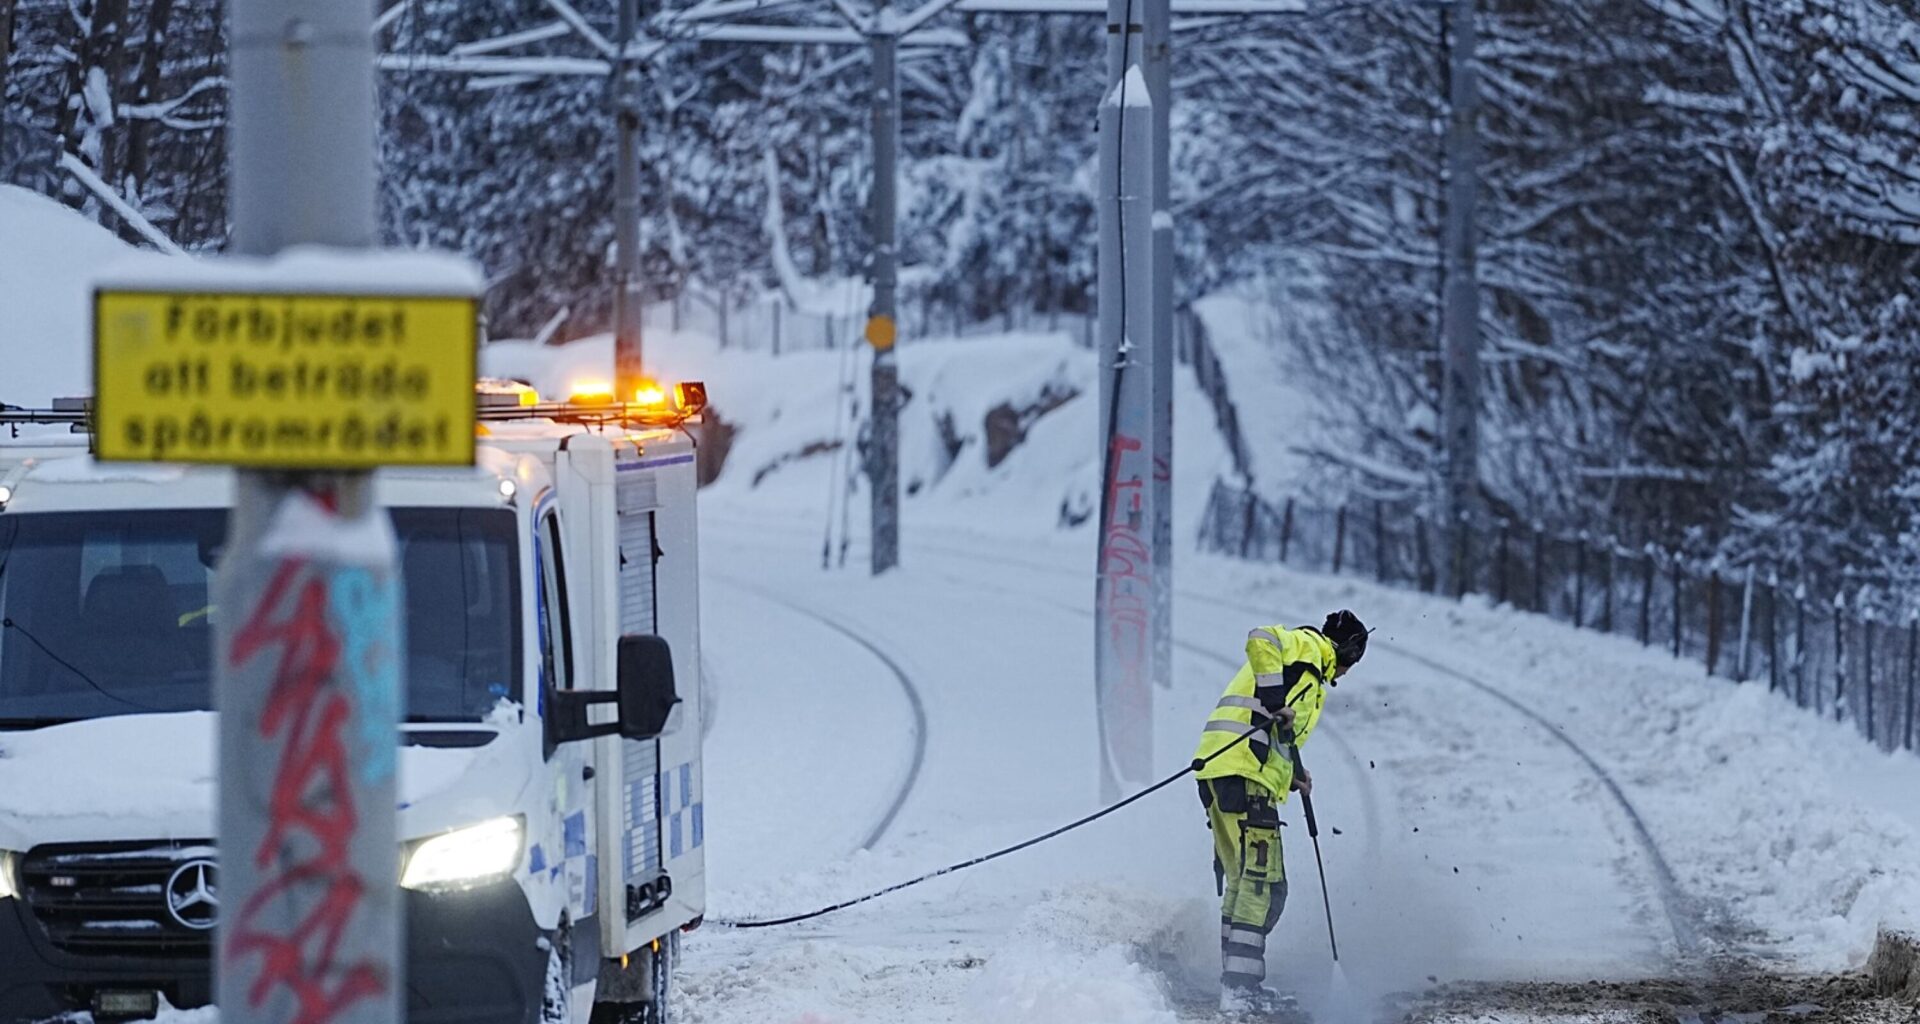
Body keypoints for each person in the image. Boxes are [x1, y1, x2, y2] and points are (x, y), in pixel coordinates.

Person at [1191, 609, 1369, 1014]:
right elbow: (1261, 637)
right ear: (1350, 649)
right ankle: (1240, 995)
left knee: (1242, 881)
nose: (1346, 673)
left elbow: (1275, 732)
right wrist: (1275, 702)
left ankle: (1236, 987)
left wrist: (1293, 773)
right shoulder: (1310, 648)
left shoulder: (1309, 672)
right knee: (1264, 886)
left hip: (1226, 772)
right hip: (1242, 774)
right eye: (1352, 661)